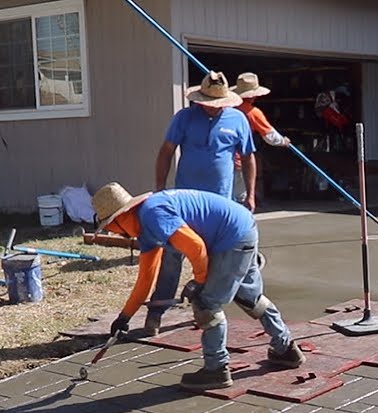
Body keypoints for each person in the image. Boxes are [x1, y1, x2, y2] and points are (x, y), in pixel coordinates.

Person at [91, 182, 304, 391]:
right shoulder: (146, 225)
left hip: (231, 237)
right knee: (249, 296)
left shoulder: (152, 213)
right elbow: (146, 280)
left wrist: (199, 282)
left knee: (206, 304)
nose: (114, 233)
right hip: (241, 227)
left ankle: (216, 369)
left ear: (121, 217)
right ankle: (286, 349)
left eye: (110, 227)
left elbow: (195, 246)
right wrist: (124, 317)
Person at [144, 71, 258, 336]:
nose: (211, 107)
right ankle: (156, 313)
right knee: (171, 257)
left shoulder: (238, 119)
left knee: (214, 261)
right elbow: (166, 151)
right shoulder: (184, 118)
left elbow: (248, 157)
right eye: (207, 102)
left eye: (216, 103)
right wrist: (160, 188)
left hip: (219, 208)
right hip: (184, 206)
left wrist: (251, 193)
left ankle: (204, 310)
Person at [230, 72, 291, 206]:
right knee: (239, 199)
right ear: (254, 95)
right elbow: (270, 136)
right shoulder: (253, 113)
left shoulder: (226, 108)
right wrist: (283, 141)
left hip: (222, 159)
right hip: (239, 160)